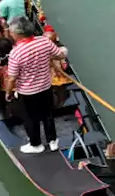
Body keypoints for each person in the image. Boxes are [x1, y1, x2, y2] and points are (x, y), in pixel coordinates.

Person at [5, 16, 68, 154]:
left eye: (11, 32)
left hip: (27, 92)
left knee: (30, 118)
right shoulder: (45, 42)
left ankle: (36, 144)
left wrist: (8, 93)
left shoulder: (15, 53)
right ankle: (53, 141)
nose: (10, 34)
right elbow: (59, 54)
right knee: (47, 115)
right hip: (45, 87)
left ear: (18, 34)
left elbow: (11, 78)